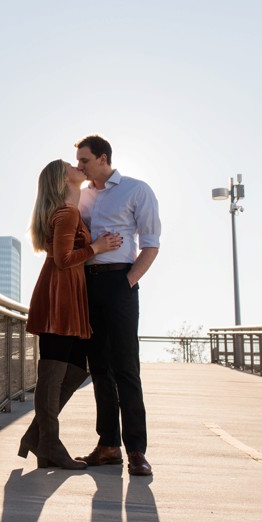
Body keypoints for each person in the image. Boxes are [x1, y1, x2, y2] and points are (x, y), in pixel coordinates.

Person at [19, 159, 122, 470]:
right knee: (51, 375)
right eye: (71, 166)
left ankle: (37, 437)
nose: (78, 167)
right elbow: (64, 260)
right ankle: (48, 444)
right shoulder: (67, 213)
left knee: (77, 368)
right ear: (61, 179)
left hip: (66, 294)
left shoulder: (69, 211)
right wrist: (97, 247)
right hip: (59, 296)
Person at [73, 135, 161, 476]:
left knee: (126, 367)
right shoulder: (81, 196)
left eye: (84, 160)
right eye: (78, 160)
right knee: (99, 368)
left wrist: (127, 283)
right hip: (87, 283)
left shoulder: (137, 190)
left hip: (120, 281)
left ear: (103, 159)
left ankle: (137, 451)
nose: (79, 165)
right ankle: (109, 445)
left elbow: (151, 245)